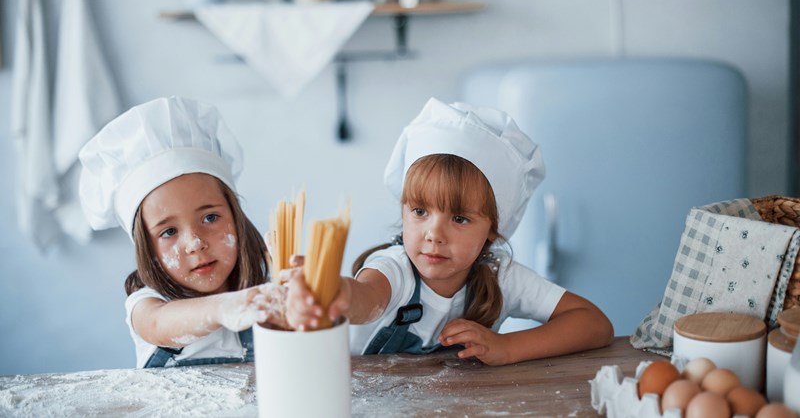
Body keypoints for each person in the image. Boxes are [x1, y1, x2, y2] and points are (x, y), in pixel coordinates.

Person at [284, 97, 614, 366]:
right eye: (420, 211)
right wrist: (336, 293)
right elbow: (366, 298)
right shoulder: (394, 270)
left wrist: (507, 347)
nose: (434, 233)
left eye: (459, 218)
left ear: (492, 232)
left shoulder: (500, 276)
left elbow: (595, 325)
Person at [79, 96, 287, 368]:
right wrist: (225, 308)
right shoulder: (148, 304)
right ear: (146, 247)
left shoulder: (266, 286)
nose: (195, 243)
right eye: (168, 232)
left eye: (210, 217)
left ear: (236, 217)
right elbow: (157, 324)